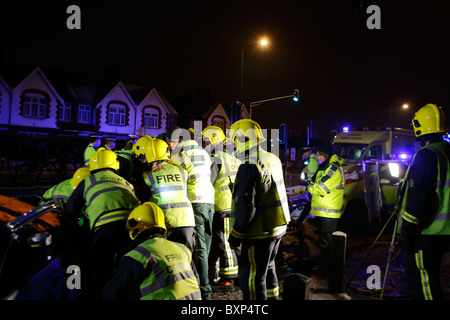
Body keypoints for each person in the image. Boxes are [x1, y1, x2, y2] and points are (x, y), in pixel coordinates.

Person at [65, 147, 141, 299]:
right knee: (125, 269)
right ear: (115, 164)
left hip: (104, 231)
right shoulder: (126, 182)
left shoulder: (87, 181)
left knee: (102, 271)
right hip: (131, 230)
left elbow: (71, 211)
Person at [227, 119, 290, 300]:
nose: (232, 146)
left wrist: (236, 234)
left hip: (257, 232)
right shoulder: (272, 158)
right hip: (276, 227)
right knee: (268, 270)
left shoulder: (249, 165)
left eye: (233, 141)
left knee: (253, 279)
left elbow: (248, 206)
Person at [398, 103, 450, 300]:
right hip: (443, 230)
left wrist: (408, 230)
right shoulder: (446, 150)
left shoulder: (427, 154)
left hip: (427, 230)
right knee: (432, 275)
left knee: (422, 279)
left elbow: (420, 193)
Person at [102, 202, 201, 300]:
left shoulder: (137, 256)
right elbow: (196, 281)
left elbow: (110, 293)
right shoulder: (182, 249)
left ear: (135, 227)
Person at [168, 126, 215, 300]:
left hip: (196, 203)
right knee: (206, 248)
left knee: (200, 250)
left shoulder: (180, 154)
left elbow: (175, 175)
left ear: (179, 140)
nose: (169, 145)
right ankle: (205, 283)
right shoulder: (202, 152)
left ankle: (204, 292)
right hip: (210, 202)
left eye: (171, 142)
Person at [138, 137, 196, 253]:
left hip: (163, 223)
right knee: (186, 261)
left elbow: (142, 201)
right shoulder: (181, 171)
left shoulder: (146, 176)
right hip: (186, 220)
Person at [203, 126, 240, 292]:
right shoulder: (233, 158)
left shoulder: (215, 159)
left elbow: (208, 182)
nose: (204, 145)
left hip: (221, 207)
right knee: (233, 242)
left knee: (224, 243)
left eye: (205, 141)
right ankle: (237, 276)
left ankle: (228, 280)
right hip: (235, 207)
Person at [307, 142, 345, 270]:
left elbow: (321, 187)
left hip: (329, 211)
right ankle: (325, 265)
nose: (318, 158)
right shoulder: (327, 166)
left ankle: (326, 268)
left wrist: (310, 188)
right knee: (324, 240)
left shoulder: (332, 168)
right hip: (325, 210)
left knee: (327, 242)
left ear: (325, 155)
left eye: (319, 155)